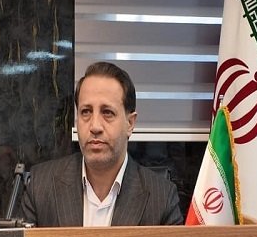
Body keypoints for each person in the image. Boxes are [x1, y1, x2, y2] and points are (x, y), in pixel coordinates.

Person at [19, 61, 183, 226]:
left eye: (107, 112)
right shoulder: (40, 187)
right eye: (86, 112)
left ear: (130, 123)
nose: (95, 126)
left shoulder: (162, 199)